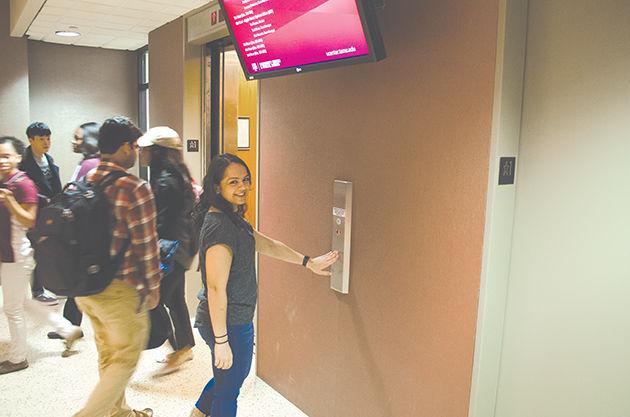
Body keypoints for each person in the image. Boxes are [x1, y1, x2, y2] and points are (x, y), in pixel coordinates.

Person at [189, 153, 339, 417]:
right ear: (216, 187)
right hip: (228, 322)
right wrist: (222, 341)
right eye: (233, 182)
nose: (242, 187)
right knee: (229, 389)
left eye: (245, 180)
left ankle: (198, 413)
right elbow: (215, 288)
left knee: (230, 379)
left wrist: (307, 262)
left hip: (236, 318)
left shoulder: (232, 219)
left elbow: (264, 243)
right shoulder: (219, 228)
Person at [72, 116, 160, 417]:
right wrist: (153, 288)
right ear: (124, 147)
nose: (136, 152)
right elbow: (147, 246)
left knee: (109, 354)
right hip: (119, 291)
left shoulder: (84, 180)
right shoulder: (134, 187)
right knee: (124, 359)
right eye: (134, 146)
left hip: (85, 289)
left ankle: (119, 412)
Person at [0, 136, 82, 375]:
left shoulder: (22, 184)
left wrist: (10, 202)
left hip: (16, 254)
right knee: (21, 302)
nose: (2, 160)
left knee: (12, 308)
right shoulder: (5, 181)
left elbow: (29, 219)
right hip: (7, 253)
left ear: (17, 157)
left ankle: (18, 358)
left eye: (6, 155)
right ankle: (67, 329)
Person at [138, 126, 196, 375]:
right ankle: (183, 348)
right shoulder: (177, 174)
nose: (140, 153)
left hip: (170, 250)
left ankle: (177, 347)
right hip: (181, 249)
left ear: (157, 152)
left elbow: (159, 222)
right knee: (174, 298)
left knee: (155, 299)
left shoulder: (163, 180)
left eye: (145, 149)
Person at [48, 123, 101, 340]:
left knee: (78, 281)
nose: (74, 142)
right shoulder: (94, 163)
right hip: (90, 232)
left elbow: (72, 195)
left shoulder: (89, 165)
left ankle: (70, 327)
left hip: (82, 233)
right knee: (78, 282)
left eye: (78, 138)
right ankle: (70, 325)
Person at [19, 122, 60, 305]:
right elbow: (25, 189)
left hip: (50, 213)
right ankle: (37, 291)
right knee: (37, 251)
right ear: (30, 139)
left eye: (48, 138)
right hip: (32, 213)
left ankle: (49, 286)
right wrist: (45, 200)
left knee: (47, 250)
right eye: (41, 139)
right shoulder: (23, 162)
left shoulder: (49, 159)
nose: (46, 142)